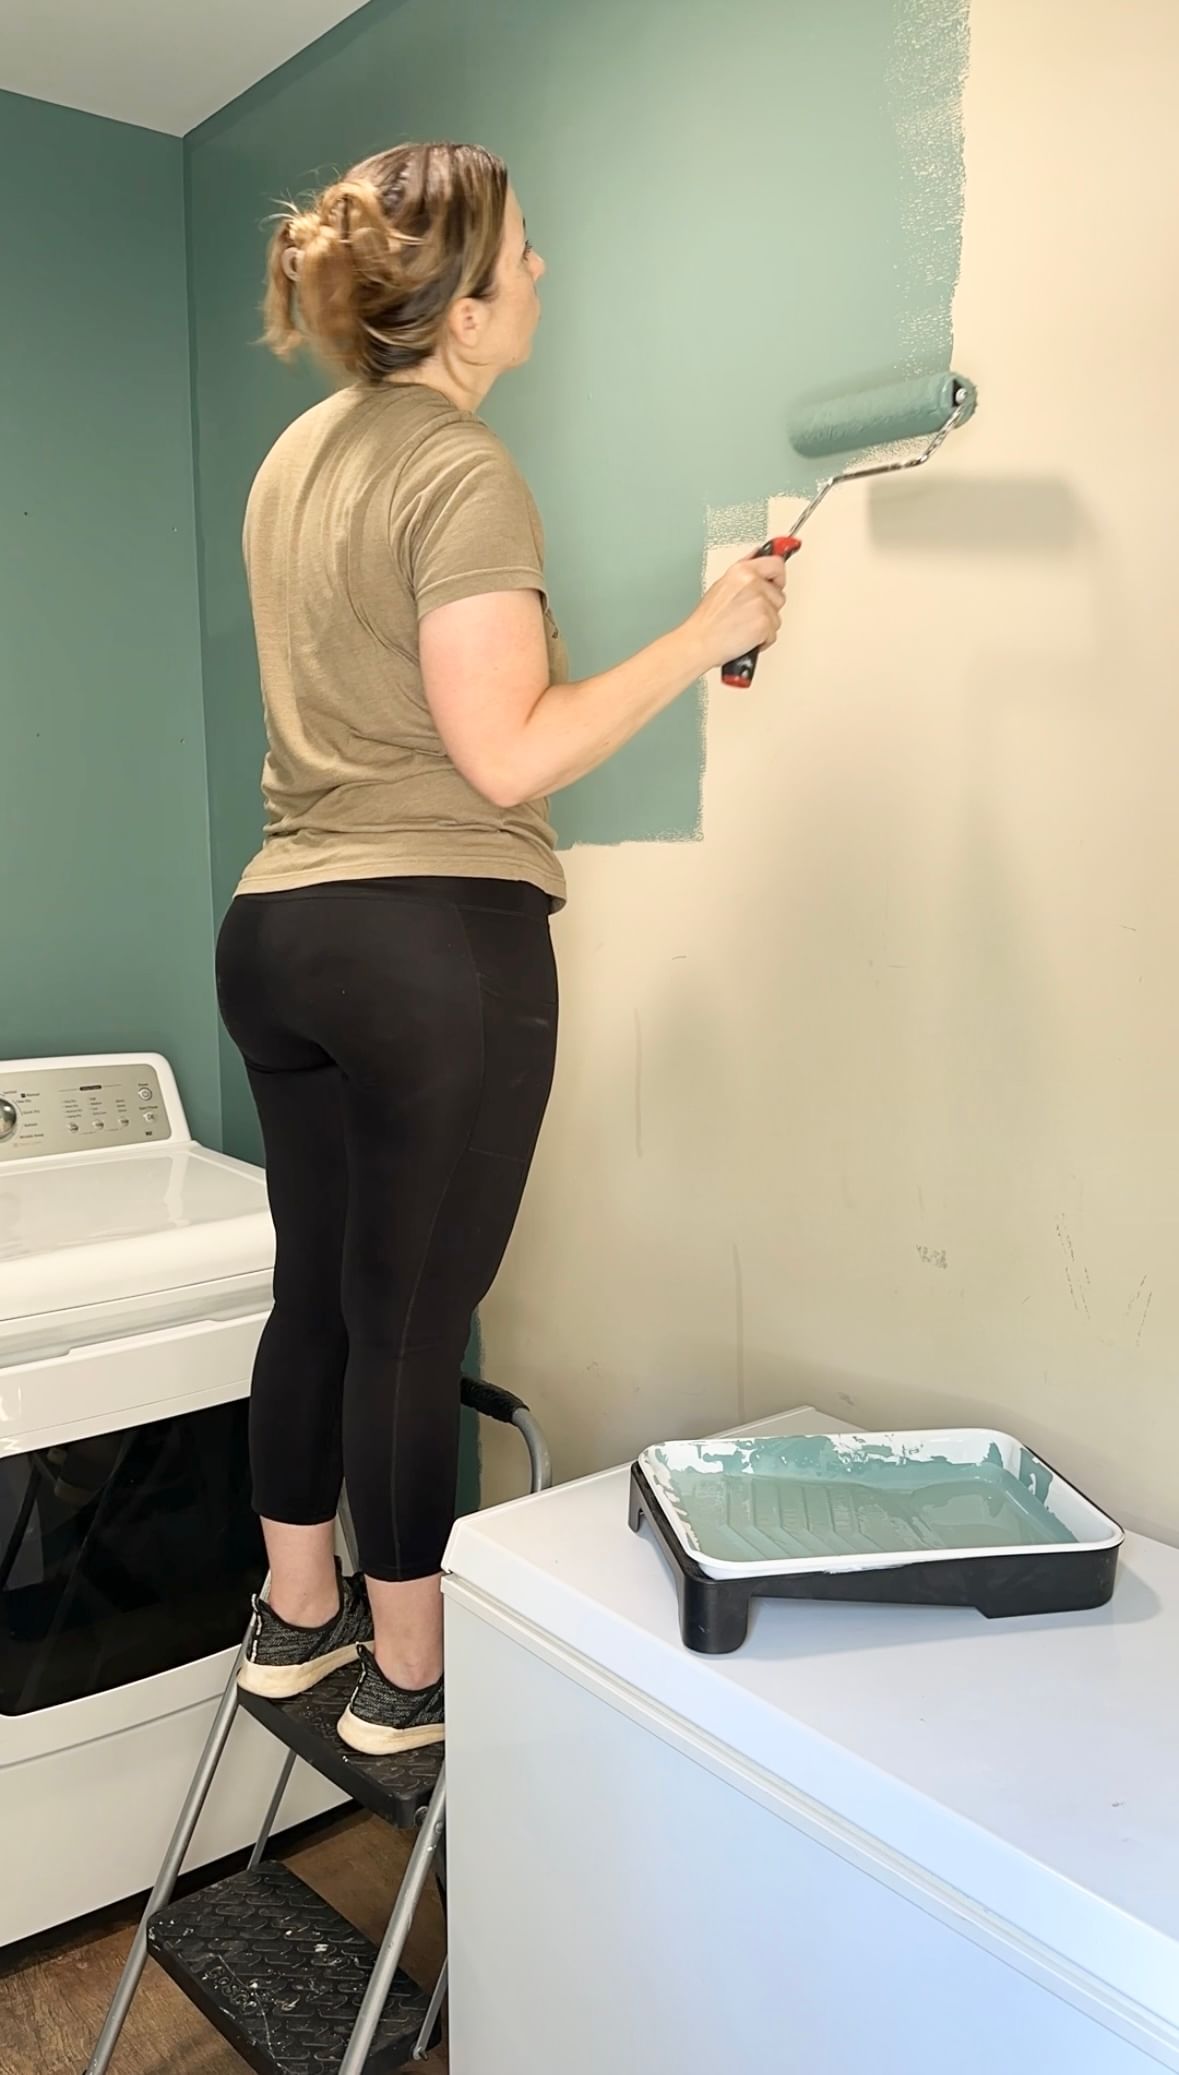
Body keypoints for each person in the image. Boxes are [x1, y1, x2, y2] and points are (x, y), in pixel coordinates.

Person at [216, 141, 788, 1755]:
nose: (543, 277)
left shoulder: (292, 461)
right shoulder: (462, 472)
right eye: (525, 257)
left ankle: (296, 1621)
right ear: (462, 309)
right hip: (426, 941)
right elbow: (508, 756)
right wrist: (705, 633)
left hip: (277, 931)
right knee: (410, 1320)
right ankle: (409, 1686)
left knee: (316, 1297)